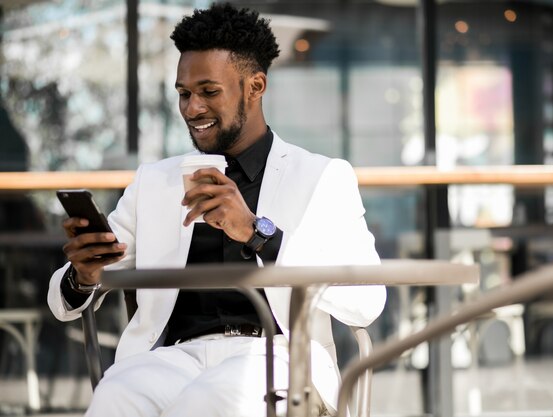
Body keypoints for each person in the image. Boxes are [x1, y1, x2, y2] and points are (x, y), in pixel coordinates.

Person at [48, 3, 386, 417]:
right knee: (115, 395)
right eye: (184, 94)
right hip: (176, 356)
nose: (192, 108)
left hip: (279, 357)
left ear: (255, 87)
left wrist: (258, 232)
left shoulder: (322, 177)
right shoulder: (155, 182)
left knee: (213, 398)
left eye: (209, 92)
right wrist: (83, 276)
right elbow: (64, 300)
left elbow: (368, 300)